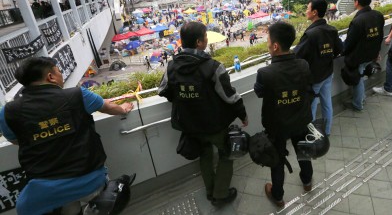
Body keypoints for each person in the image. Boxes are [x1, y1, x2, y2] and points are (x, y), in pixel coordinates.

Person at [0, 57, 134, 215]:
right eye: (58, 71)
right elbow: (108, 107)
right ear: (51, 77)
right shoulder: (77, 95)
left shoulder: (8, 112)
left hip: (49, 191)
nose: (61, 74)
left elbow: (15, 140)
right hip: (90, 179)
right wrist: (123, 108)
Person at [158, 22, 248, 206]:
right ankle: (220, 195)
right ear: (199, 42)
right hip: (214, 125)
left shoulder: (171, 67)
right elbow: (229, 95)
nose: (207, 39)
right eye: (206, 37)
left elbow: (163, 90)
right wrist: (243, 114)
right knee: (226, 154)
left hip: (190, 125)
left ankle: (210, 191)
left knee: (205, 155)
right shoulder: (213, 67)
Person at [254, 22, 313, 207]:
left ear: (275, 46)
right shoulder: (303, 65)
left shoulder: (265, 73)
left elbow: (259, 92)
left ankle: (278, 196)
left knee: (277, 159)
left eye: (268, 41)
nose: (267, 44)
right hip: (300, 118)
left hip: (277, 125)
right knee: (303, 151)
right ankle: (307, 181)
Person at [294, 0, 343, 135]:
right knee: (327, 103)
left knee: (311, 106)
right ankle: (326, 131)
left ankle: (311, 135)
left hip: (314, 77)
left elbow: (297, 55)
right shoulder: (331, 30)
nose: (306, 11)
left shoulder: (310, 34)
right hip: (327, 73)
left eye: (307, 8)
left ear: (314, 12)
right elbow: (339, 49)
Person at [343, 0, 384, 110]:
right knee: (361, 76)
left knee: (358, 79)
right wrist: (377, 52)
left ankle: (358, 104)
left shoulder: (358, 21)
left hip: (359, 55)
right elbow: (380, 36)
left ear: (356, 2)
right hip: (371, 53)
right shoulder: (378, 15)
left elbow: (349, 43)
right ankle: (362, 98)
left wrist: (342, 51)